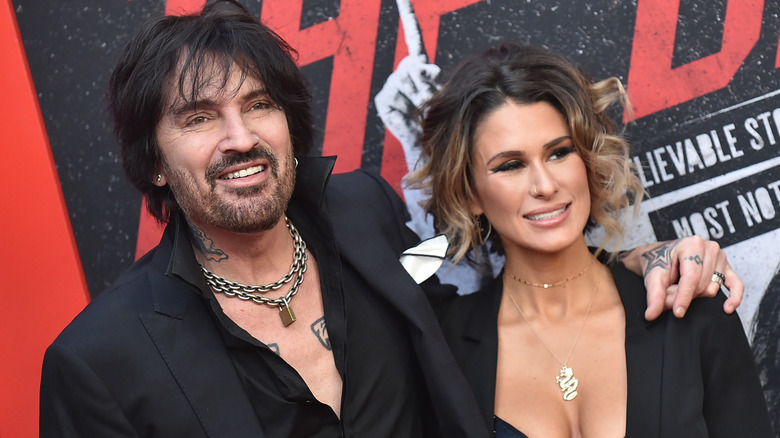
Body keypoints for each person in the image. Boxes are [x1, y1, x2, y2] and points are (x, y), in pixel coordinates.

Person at [38, 2, 746, 436]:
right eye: (199, 118)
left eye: (258, 105)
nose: (240, 137)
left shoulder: (366, 228)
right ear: (154, 161)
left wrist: (641, 258)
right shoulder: (101, 362)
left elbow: (466, 250)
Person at [412, 43, 773, 437]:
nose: (545, 185)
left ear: (586, 159)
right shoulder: (445, 350)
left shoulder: (687, 303)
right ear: (469, 194)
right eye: (511, 165)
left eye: (559, 153)